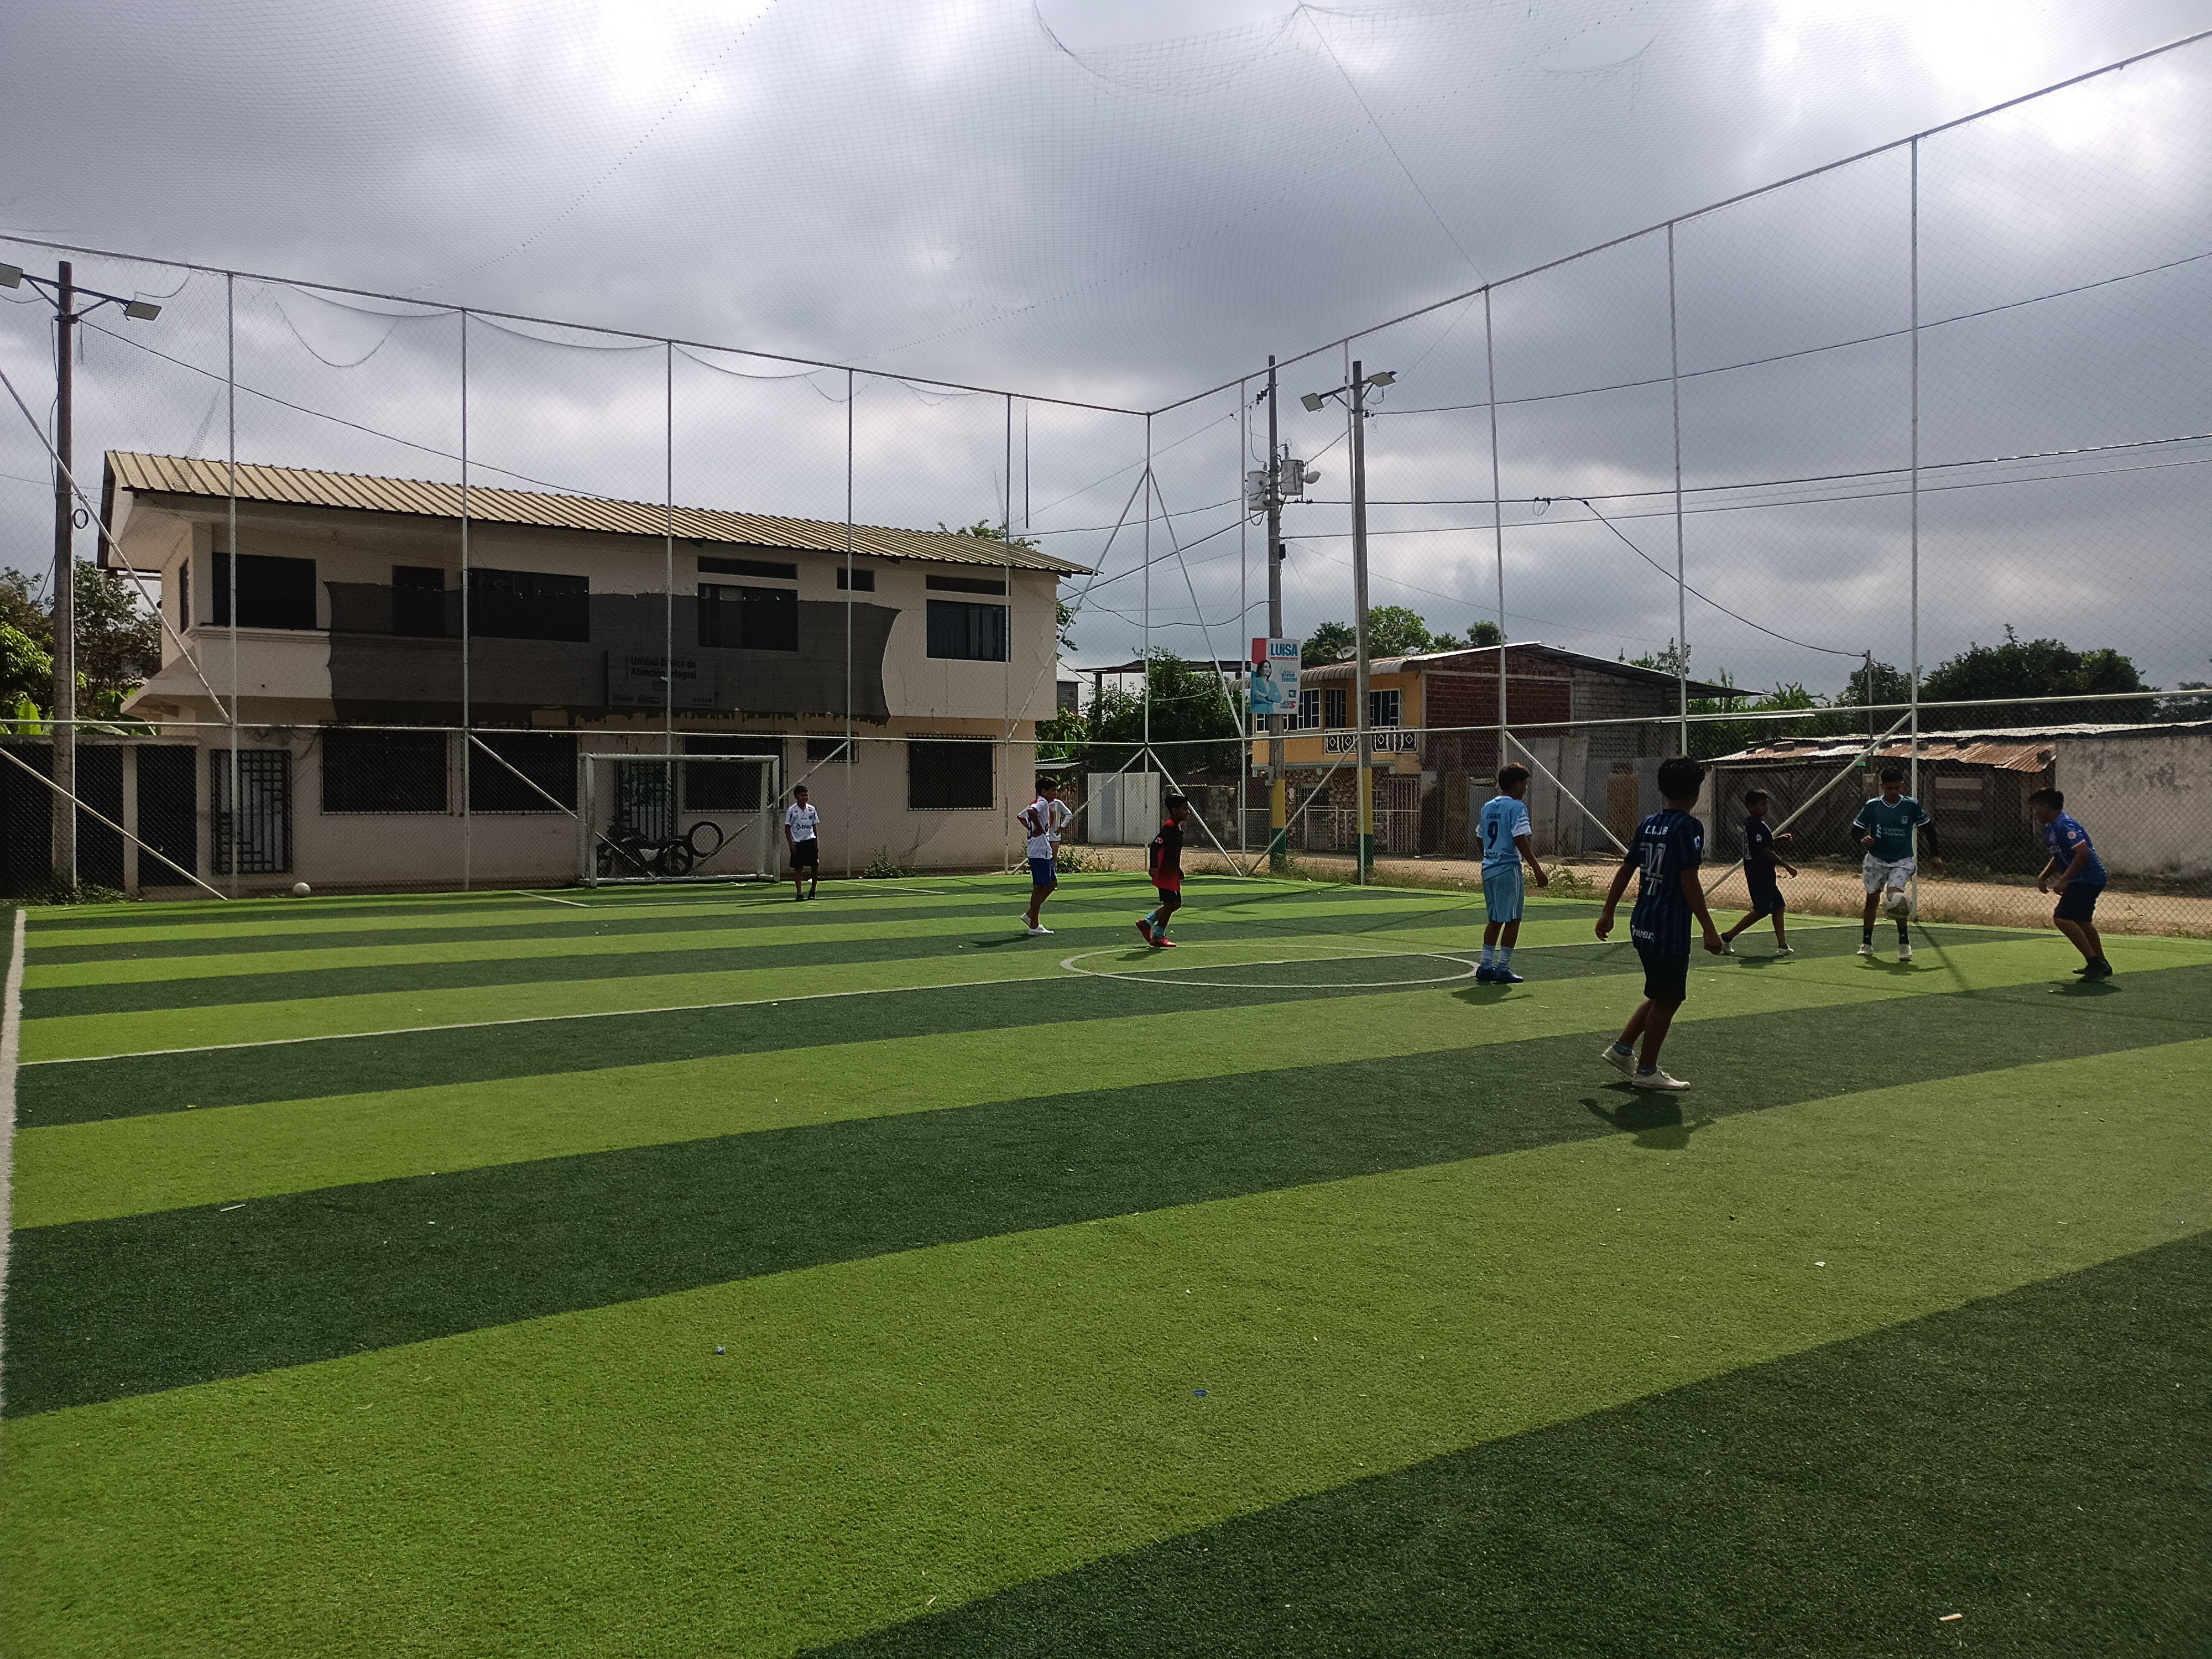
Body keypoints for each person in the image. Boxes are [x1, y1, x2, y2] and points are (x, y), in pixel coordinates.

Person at [1595, 755, 1725, 1091]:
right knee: (1668, 998)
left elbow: (1627, 869)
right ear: (1696, 793)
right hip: (1669, 927)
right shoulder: (1690, 827)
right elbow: (1688, 880)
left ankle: (1623, 1049)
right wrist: (1709, 928)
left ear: (1661, 790)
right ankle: (1647, 1071)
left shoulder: (1648, 823)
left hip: (1643, 920)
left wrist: (1608, 911)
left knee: (1659, 991)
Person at [1852, 764, 1942, 960]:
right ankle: (1867, 942)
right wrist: (1862, 839)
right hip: (1876, 860)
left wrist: (1935, 855)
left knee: (1897, 898)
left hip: (1901, 860)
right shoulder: (1873, 806)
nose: (1893, 792)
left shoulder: (1911, 806)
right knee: (1872, 900)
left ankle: (1904, 944)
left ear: (1903, 786)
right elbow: (1856, 830)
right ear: (1882, 786)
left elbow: (1929, 829)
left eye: (1897, 788)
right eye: (1889, 788)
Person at [1475, 763, 1550, 983]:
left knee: (1495, 919)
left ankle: (1485, 966)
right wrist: (1537, 868)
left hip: (1489, 869)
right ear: (1517, 784)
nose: (1526, 788)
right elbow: (1520, 838)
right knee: (1514, 919)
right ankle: (1503, 968)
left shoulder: (1488, 807)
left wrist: (1489, 855)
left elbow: (1479, 836)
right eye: (1525, 784)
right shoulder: (1517, 807)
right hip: (1508, 869)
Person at [2030, 787, 2111, 979]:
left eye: (2036, 807)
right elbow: (2058, 856)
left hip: (2088, 878)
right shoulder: (2051, 827)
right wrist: (2044, 877)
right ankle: (2102, 964)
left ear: (2046, 807)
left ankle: (2095, 963)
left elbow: (2083, 852)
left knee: (2062, 918)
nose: (2035, 812)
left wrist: (2064, 880)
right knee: (2082, 922)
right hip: (2086, 878)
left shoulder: (2064, 825)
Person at [1720, 788, 1797, 957]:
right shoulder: (1756, 825)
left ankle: (1782, 946)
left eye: (1767, 803)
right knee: (1762, 910)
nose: (1766, 807)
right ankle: (1727, 937)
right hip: (1759, 874)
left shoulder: (1752, 824)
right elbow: (1764, 851)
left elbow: (1760, 844)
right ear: (1751, 806)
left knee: (1779, 906)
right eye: (1762, 804)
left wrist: (1777, 841)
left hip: (1763, 873)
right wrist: (1786, 866)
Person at [1018, 776, 1073, 936]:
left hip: (1044, 850)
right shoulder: (1042, 802)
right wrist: (1039, 829)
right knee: (1040, 887)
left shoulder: (1039, 802)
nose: (1056, 793)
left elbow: (1022, 817)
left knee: (1052, 884)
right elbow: (1030, 813)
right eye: (1053, 790)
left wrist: (1033, 828)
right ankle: (1034, 926)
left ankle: (1031, 915)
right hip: (1039, 851)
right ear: (1044, 792)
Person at [1136, 792, 1191, 948]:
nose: (1188, 812)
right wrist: (1154, 866)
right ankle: (1158, 937)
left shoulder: (1177, 827)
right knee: (1171, 903)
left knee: (1176, 903)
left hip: (1171, 873)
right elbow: (1156, 845)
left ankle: (1147, 923)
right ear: (1175, 810)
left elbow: (1172, 852)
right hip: (1165, 873)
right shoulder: (1169, 827)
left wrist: (1177, 869)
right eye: (1185, 809)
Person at [783, 784, 820, 900]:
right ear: (796, 797)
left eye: (806, 795)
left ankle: (813, 891)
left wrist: (816, 842)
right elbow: (787, 828)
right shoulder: (792, 811)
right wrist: (791, 845)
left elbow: (814, 826)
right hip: (798, 843)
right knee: (799, 868)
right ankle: (799, 893)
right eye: (802, 795)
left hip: (810, 842)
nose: (805, 798)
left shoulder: (812, 810)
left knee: (815, 866)